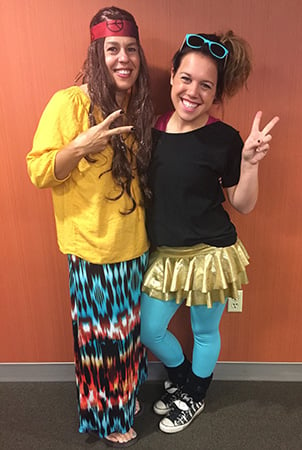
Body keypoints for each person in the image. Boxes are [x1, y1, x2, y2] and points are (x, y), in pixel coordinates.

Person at [26, 6, 153, 447]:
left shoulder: (139, 106)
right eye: (112, 49)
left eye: (131, 49)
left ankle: (126, 395)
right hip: (92, 248)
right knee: (102, 343)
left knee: (128, 336)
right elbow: (39, 170)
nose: (124, 58)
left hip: (135, 245)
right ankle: (109, 418)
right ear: (97, 53)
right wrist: (80, 146)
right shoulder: (70, 102)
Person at [140, 31, 279, 434]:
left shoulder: (225, 138)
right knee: (149, 329)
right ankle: (184, 378)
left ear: (216, 93)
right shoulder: (152, 129)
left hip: (210, 253)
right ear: (171, 76)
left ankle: (196, 395)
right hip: (165, 254)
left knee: (204, 331)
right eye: (186, 78)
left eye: (206, 85)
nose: (193, 92)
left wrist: (250, 163)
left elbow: (243, 204)